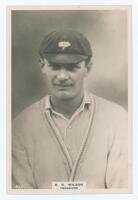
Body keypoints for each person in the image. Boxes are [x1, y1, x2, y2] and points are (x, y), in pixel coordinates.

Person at [12, 30, 128, 189]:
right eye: (54, 66)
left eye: (72, 68)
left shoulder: (117, 119)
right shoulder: (20, 126)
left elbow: (123, 191)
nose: (62, 76)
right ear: (42, 65)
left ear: (88, 67)